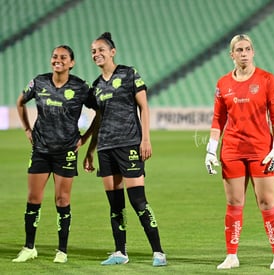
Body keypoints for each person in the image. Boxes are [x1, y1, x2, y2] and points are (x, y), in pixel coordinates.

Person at [83, 32, 167, 267]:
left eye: (100, 49)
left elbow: (144, 107)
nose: (96, 54)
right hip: (105, 148)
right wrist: (90, 149)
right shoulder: (97, 86)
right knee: (115, 204)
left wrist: (146, 139)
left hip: (129, 144)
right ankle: (120, 251)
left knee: (138, 200)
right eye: (92, 51)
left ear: (112, 51)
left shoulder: (129, 73)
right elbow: (98, 119)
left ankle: (158, 252)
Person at [204, 34, 274, 270]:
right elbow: (218, 119)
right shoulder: (223, 84)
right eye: (239, 50)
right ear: (232, 55)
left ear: (253, 52)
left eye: (247, 49)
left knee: (267, 201)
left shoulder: (267, 79)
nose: (243, 53)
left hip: (261, 148)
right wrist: (211, 149)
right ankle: (232, 255)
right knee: (234, 202)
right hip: (231, 149)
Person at [13, 45, 95, 263]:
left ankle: (62, 250)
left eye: (63, 57)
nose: (58, 60)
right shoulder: (39, 82)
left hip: (66, 151)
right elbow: (20, 102)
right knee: (33, 198)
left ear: (71, 63)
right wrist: (27, 129)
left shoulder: (80, 86)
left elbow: (101, 111)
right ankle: (29, 247)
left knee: (62, 199)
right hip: (40, 149)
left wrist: (85, 139)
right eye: (55, 57)